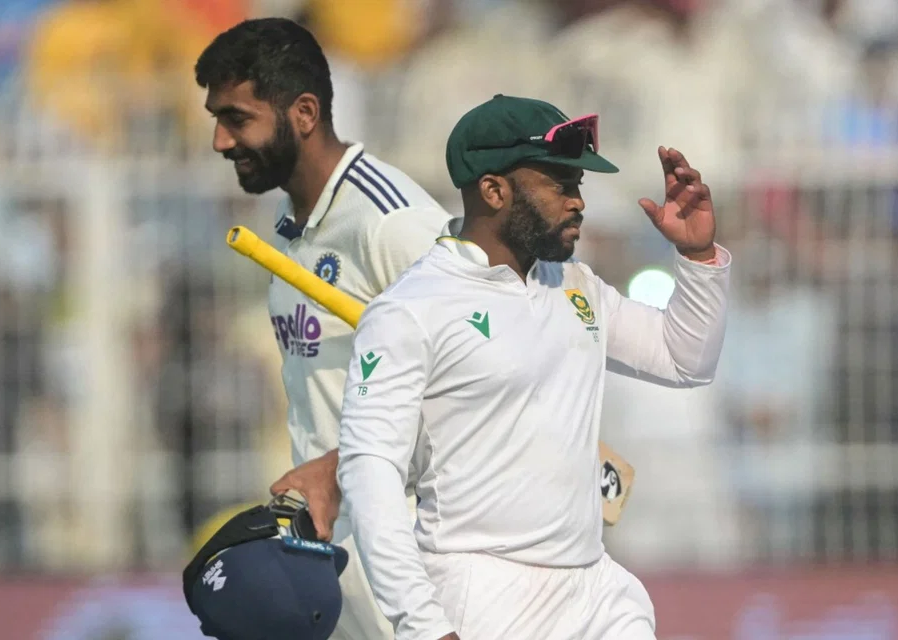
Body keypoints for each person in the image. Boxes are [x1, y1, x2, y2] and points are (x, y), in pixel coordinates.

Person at [337, 95, 732, 640]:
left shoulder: (574, 285)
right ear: (494, 190)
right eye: (559, 185)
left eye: (578, 186)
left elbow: (686, 359)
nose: (578, 203)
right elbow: (369, 472)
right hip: (482, 597)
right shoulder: (411, 309)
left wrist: (699, 257)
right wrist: (423, 624)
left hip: (595, 589)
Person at [194, 18, 450, 640]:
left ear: (304, 112)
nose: (220, 141)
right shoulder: (289, 224)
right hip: (336, 552)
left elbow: (475, 380)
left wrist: (335, 471)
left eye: (237, 118)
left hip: (419, 555)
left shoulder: (391, 221)